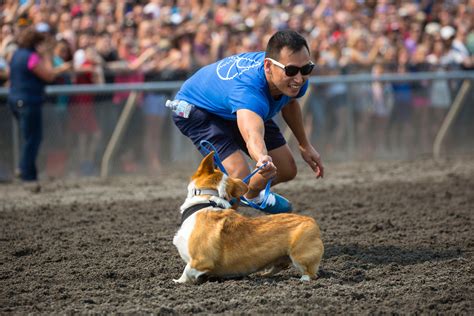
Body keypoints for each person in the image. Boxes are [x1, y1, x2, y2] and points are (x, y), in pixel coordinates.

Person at [171, 30, 324, 214]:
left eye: (306, 69)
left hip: (232, 106)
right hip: (197, 109)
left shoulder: (292, 78)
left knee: (286, 169)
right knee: (240, 178)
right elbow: (252, 134)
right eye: (291, 70)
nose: (299, 78)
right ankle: (207, 200)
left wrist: (304, 144)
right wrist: (261, 158)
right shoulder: (249, 92)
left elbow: (289, 103)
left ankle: (250, 195)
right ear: (268, 66)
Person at [7, 24, 71, 182]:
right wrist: (48, 56)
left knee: (29, 137)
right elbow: (48, 76)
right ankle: (25, 171)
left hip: (15, 100)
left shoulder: (16, 55)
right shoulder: (32, 56)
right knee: (33, 138)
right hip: (29, 101)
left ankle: (31, 172)